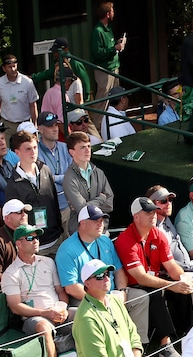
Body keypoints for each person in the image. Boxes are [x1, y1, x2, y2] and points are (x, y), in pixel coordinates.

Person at [114, 196, 193, 357]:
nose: (154, 215)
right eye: (148, 212)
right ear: (136, 216)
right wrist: (172, 285)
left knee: (185, 287)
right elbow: (140, 277)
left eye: (154, 211)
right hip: (134, 285)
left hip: (154, 280)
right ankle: (165, 344)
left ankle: (188, 336)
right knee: (156, 292)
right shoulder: (125, 240)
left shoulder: (158, 234)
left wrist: (182, 278)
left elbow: (171, 266)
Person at [1, 223, 74, 357]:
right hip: (34, 318)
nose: (35, 241)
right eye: (29, 238)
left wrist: (63, 308)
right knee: (44, 328)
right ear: (18, 244)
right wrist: (45, 313)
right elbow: (15, 306)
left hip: (58, 312)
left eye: (36, 237)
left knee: (85, 315)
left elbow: (61, 291)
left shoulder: (48, 262)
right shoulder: (11, 273)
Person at [149, 184, 193, 320]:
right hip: (170, 273)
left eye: (170, 200)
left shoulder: (167, 222)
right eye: (163, 201)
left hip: (187, 266)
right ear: (152, 204)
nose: (168, 204)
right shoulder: (153, 229)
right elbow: (165, 263)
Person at [5, 129, 64, 255]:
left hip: (56, 240)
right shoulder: (13, 184)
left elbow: (54, 203)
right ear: (17, 152)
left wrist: (59, 230)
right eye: (28, 149)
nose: (33, 152)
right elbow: (14, 221)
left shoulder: (45, 170)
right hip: (35, 246)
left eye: (35, 147)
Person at [55, 204, 127, 306]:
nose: (100, 224)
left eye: (102, 221)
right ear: (82, 223)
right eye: (95, 221)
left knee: (140, 298)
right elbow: (71, 287)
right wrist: (100, 301)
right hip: (85, 297)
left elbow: (118, 270)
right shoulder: (66, 249)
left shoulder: (105, 240)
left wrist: (122, 291)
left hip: (111, 293)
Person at [62, 131, 114, 235]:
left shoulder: (99, 172)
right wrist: (101, 198)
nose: (87, 150)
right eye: (82, 147)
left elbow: (110, 205)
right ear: (72, 152)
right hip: (81, 233)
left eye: (89, 146)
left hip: (102, 230)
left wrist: (87, 205)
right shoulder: (69, 178)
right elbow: (82, 210)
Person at [91, 2, 126, 131]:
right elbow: (98, 53)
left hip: (114, 68)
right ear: (107, 14)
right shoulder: (97, 31)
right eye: (112, 11)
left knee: (116, 99)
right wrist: (114, 49)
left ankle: (117, 125)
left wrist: (117, 44)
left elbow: (109, 47)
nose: (113, 13)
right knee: (103, 101)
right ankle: (98, 130)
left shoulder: (108, 28)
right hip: (104, 72)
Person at [37, 111, 74, 232]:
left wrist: (55, 178)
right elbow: (42, 181)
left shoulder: (64, 147)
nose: (55, 129)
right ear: (40, 129)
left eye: (55, 125)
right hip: (50, 210)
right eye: (50, 126)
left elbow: (73, 175)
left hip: (68, 207)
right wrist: (62, 178)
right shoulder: (35, 152)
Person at [0, 53, 39, 137]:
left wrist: (34, 124)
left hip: (25, 123)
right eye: (9, 67)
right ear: (4, 68)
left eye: (14, 66)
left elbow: (33, 105)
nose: (13, 69)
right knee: (5, 148)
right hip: (7, 123)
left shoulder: (27, 82)